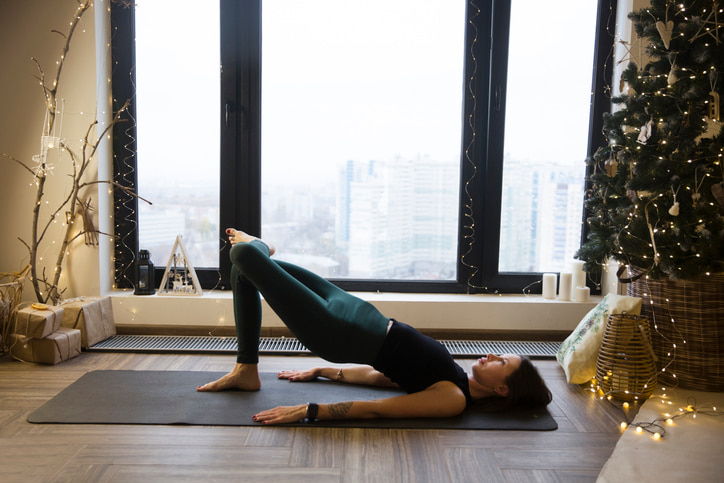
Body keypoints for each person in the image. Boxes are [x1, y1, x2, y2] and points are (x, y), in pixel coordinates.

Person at [198, 229, 552, 425]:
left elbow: (380, 408)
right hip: (352, 309)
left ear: (504, 390)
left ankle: (261, 245)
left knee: (245, 256)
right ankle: (246, 369)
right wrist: (323, 371)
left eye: (500, 362)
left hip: (336, 328)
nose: (491, 355)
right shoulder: (456, 377)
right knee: (242, 271)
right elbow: (381, 377)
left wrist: (309, 411)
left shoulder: (454, 399)